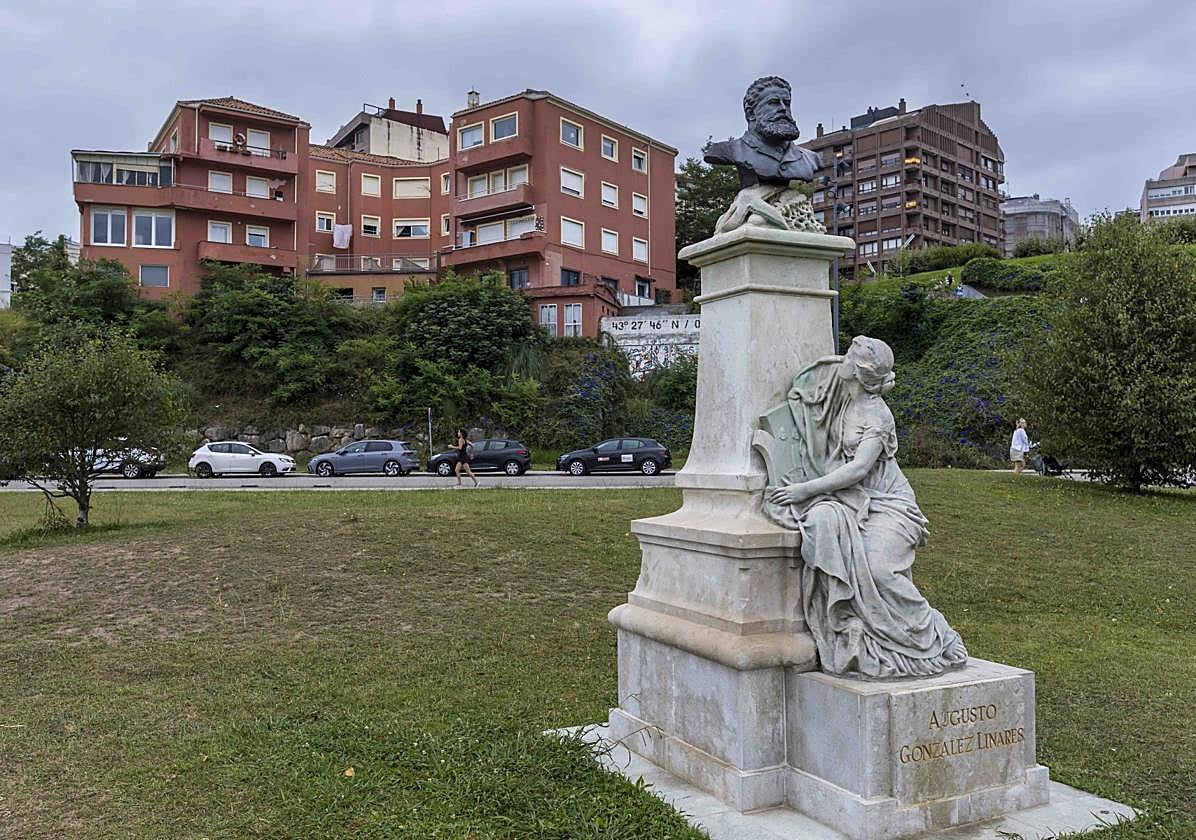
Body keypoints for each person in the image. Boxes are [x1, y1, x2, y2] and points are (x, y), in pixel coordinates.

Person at [766, 336, 968, 679]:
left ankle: (928, 635)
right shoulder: (841, 393)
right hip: (851, 500)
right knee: (823, 522)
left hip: (889, 505)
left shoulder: (877, 416)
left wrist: (804, 490)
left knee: (879, 569)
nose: (841, 359)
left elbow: (859, 469)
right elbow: (813, 379)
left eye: (849, 356)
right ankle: (855, 627)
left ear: (858, 373)